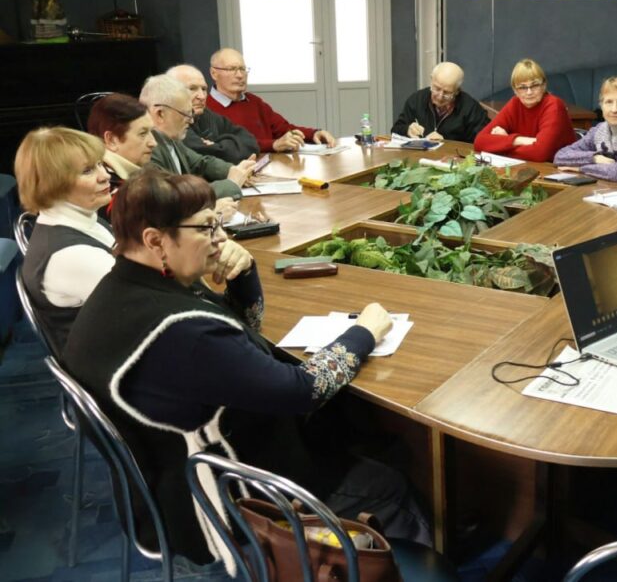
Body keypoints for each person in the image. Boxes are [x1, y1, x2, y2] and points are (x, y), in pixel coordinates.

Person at [63, 169, 431, 569]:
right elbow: (301, 390)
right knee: (388, 485)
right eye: (206, 228)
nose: (221, 239)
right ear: (156, 240)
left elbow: (237, 341)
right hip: (225, 499)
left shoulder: (130, 285)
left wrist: (244, 276)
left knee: (358, 430)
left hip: (165, 478)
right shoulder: (180, 329)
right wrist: (365, 332)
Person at [14, 128, 114, 352]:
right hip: (114, 364)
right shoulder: (72, 255)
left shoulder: (84, 220)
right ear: (52, 183)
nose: (105, 175)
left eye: (100, 163)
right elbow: (152, 305)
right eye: (88, 170)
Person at [139, 74, 255, 203]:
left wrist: (234, 170)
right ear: (160, 114)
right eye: (186, 114)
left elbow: (201, 163)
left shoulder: (170, 139)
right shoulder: (148, 149)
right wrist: (231, 183)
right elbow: (176, 198)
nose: (192, 120)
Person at [205, 47, 336, 152]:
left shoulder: (254, 101)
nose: (239, 75)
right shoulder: (205, 108)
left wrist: (313, 134)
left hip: (272, 167)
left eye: (242, 69)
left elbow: (283, 128)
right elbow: (230, 146)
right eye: (232, 69)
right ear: (214, 73)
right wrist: (273, 144)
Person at [552, 77, 617, 182]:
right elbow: (560, 157)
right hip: (602, 191)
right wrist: (594, 158)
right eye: (609, 102)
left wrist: (580, 168)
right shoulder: (598, 130)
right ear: (601, 106)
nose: (614, 109)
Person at [473, 59, 575, 162]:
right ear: (515, 90)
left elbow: (540, 153)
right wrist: (520, 140)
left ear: (544, 85)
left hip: (557, 169)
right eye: (522, 87)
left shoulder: (554, 106)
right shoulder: (515, 104)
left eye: (535, 85)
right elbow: (479, 142)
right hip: (527, 166)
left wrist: (502, 144)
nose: (529, 92)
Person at [166, 64, 259, 164]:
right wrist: (227, 144)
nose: (201, 96)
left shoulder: (205, 114)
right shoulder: (171, 122)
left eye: (204, 89)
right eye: (192, 89)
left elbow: (251, 143)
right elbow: (202, 154)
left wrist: (217, 144)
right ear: (171, 92)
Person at [87, 93, 158, 212]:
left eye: (151, 132)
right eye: (142, 134)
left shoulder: (141, 176)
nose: (153, 143)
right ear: (111, 140)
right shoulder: (105, 192)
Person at [390, 62, 491, 143]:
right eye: (436, 88)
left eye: (447, 93)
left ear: (457, 91)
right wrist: (407, 130)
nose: (440, 96)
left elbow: (482, 141)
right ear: (431, 81)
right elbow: (395, 130)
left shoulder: (471, 108)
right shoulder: (417, 100)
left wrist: (446, 142)